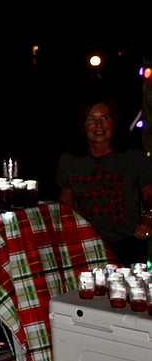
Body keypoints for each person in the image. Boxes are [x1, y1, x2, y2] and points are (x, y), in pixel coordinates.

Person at [56, 94, 152, 266]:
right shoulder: (70, 159)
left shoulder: (132, 156)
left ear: (113, 122)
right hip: (87, 245)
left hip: (128, 244)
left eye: (105, 118)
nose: (98, 125)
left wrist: (147, 216)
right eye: (91, 119)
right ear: (83, 125)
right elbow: (65, 202)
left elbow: (149, 193)